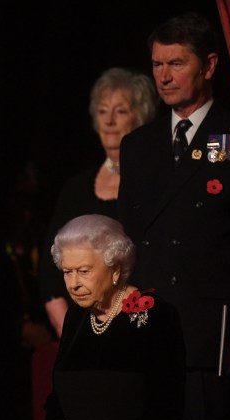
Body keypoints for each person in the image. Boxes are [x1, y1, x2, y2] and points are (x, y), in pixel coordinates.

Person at [117, 12, 230, 420]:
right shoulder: (138, 146)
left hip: (215, 338)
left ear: (210, 65)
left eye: (176, 63)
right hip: (150, 329)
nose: (164, 76)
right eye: (158, 65)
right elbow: (128, 241)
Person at [44, 214, 185, 420]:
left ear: (116, 269)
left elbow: (165, 407)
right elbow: (59, 397)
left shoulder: (156, 316)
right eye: (67, 272)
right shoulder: (76, 317)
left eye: (84, 271)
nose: (73, 283)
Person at [39, 67, 158, 339]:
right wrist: (67, 327)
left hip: (138, 324)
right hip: (79, 328)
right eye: (103, 112)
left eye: (121, 111)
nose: (110, 121)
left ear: (140, 117)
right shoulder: (75, 188)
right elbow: (49, 269)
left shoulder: (155, 183)